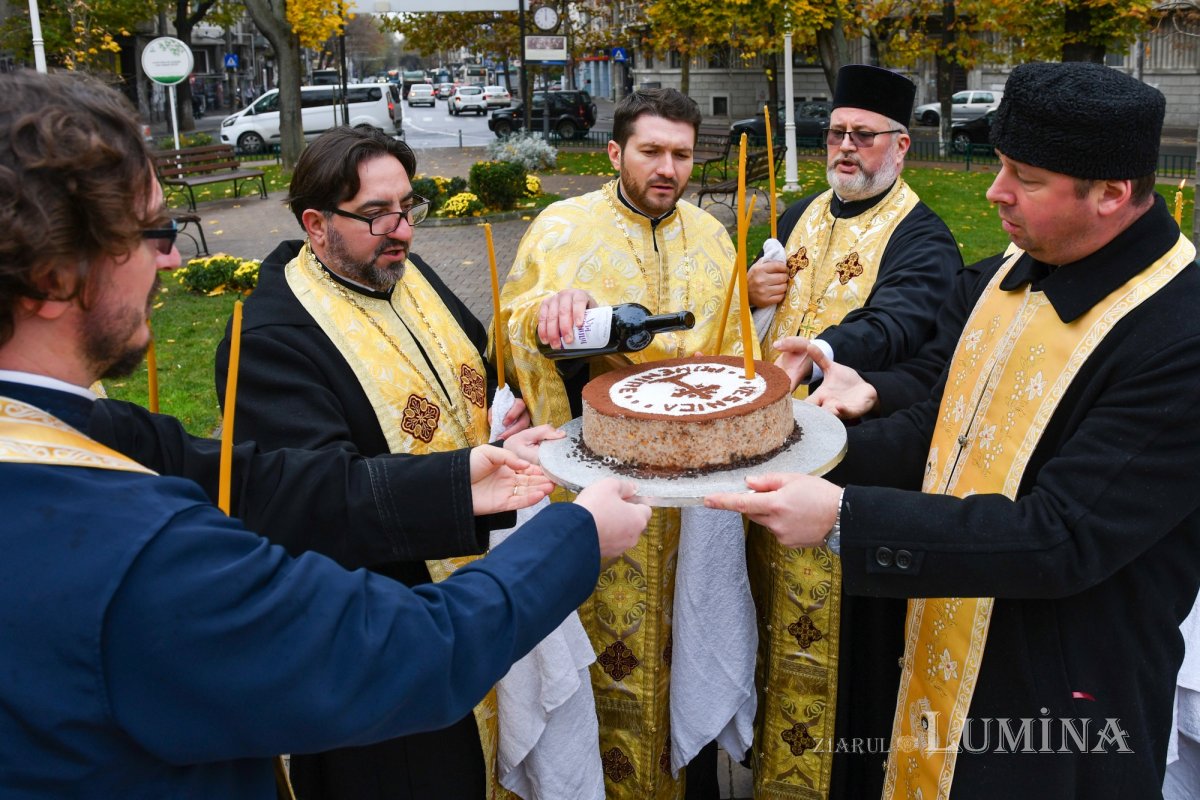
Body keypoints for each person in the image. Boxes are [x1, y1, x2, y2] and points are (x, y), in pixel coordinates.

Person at [0, 68, 651, 798]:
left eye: (410, 207)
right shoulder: (132, 536)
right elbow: (390, 653)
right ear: (56, 277)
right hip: (389, 667)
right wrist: (574, 540)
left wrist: (467, 466)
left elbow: (252, 479)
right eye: (153, 231)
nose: (174, 257)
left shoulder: (77, 422)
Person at [707, 61, 1200, 798]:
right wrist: (795, 451)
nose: (996, 192)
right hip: (944, 643)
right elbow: (940, 426)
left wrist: (845, 519)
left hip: (1061, 700)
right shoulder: (1017, 266)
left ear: (1112, 194)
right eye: (1001, 166)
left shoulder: (1177, 333)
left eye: (1025, 178)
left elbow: (1060, 536)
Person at [211, 126, 545, 800]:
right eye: (376, 215)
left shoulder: (404, 275)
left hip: (477, 584)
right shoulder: (270, 339)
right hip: (386, 636)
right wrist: (460, 480)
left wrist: (506, 416)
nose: (403, 231)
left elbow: (472, 375)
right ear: (315, 223)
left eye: (408, 207)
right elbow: (314, 499)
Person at [500, 88, 750, 800]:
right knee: (605, 660)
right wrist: (544, 321)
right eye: (651, 151)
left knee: (689, 643)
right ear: (615, 153)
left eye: (679, 153)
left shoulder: (710, 233)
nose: (667, 167)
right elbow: (512, 335)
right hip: (600, 490)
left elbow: (735, 349)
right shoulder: (560, 229)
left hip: (695, 494)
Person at [741, 62, 962, 799]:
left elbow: (900, 318)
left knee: (848, 661)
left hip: (852, 471)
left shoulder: (923, 235)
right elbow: (741, 325)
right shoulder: (795, 216)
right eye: (837, 133)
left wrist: (824, 354)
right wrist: (750, 295)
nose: (845, 148)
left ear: (900, 146)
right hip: (773, 455)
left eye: (863, 136)